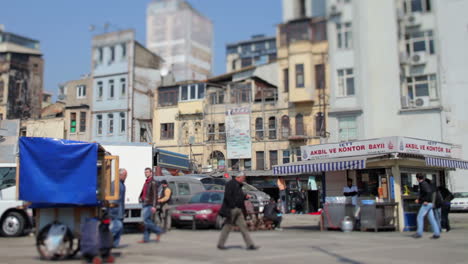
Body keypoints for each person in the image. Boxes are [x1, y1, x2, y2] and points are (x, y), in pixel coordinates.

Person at [217, 172, 259, 250]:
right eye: (243, 178)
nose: (244, 180)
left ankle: (250, 244)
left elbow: (239, 196)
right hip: (232, 209)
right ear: (239, 177)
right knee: (227, 226)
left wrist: (245, 196)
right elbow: (228, 196)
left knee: (243, 227)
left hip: (239, 210)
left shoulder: (239, 185)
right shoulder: (230, 184)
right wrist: (232, 205)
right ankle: (220, 244)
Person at [138, 167, 164, 243]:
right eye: (145, 172)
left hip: (149, 204)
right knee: (147, 221)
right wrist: (140, 198)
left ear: (151, 173)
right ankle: (146, 239)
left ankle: (158, 231)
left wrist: (154, 206)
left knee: (146, 220)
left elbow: (155, 195)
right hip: (144, 203)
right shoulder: (146, 182)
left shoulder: (153, 182)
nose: (146, 173)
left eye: (147, 172)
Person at [413, 174, 440, 239]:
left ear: (417, 178)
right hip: (430, 203)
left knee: (419, 217)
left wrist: (423, 200)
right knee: (431, 218)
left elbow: (428, 192)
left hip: (426, 204)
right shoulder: (425, 183)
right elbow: (428, 192)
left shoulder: (422, 184)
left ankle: (419, 233)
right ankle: (437, 233)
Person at [109, 168, 127, 248]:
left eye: (126, 175)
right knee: (117, 226)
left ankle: (114, 244)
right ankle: (106, 241)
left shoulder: (122, 184)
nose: (125, 177)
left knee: (119, 228)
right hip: (115, 210)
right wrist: (113, 209)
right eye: (124, 175)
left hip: (120, 210)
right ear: (120, 175)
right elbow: (112, 199)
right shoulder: (115, 184)